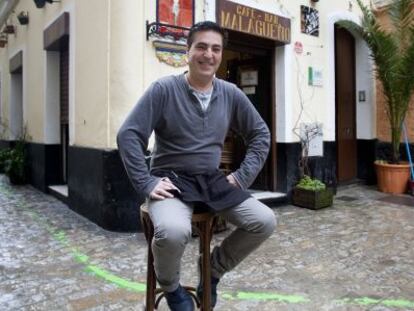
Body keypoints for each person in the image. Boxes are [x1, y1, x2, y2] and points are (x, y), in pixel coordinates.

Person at [117, 21, 277, 311]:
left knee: (264, 222)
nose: (209, 54)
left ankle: (212, 269)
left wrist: (241, 177)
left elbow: (260, 134)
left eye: (216, 48)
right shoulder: (164, 89)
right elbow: (129, 133)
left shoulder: (230, 93)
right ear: (188, 51)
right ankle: (172, 287)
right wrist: (146, 182)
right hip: (171, 180)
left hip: (211, 180)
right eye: (201, 46)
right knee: (173, 232)